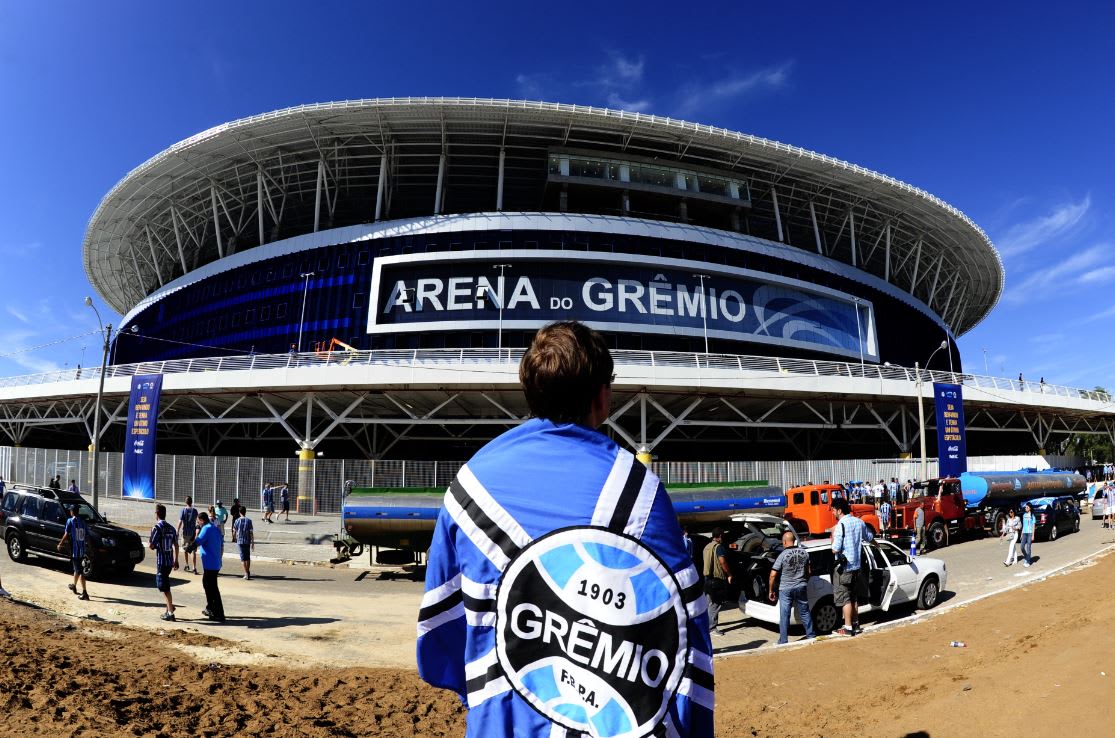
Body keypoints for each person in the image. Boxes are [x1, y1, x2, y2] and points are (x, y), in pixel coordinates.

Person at [416, 321, 714, 738]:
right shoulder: (641, 495)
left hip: (503, 725)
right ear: (602, 396)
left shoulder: (471, 486)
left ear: (531, 392)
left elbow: (439, 637)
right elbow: (685, 641)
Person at [831, 498, 873, 637]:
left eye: (833, 510)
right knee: (854, 597)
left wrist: (832, 536)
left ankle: (847, 628)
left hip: (844, 568)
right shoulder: (859, 522)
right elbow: (869, 537)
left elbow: (835, 549)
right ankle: (855, 624)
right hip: (857, 567)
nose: (832, 513)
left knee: (845, 598)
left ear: (839, 510)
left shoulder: (840, 525)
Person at [768, 530, 814, 644]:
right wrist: (804, 581)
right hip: (801, 586)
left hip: (785, 589)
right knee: (805, 612)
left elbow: (773, 575)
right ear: (793, 541)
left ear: (784, 542)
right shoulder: (804, 553)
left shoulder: (782, 555)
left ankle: (783, 640)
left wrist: (771, 590)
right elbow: (809, 571)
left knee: (785, 615)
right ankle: (811, 635)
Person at [149, 504, 179, 621]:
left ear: (157, 514)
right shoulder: (171, 528)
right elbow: (176, 545)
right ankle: (169, 607)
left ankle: (170, 611)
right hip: (169, 562)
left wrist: (153, 544)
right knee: (166, 584)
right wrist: (176, 560)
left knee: (163, 586)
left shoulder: (157, 528)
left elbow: (151, 545)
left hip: (161, 561)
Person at [193, 511, 225, 621]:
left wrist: (189, 547)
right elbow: (221, 544)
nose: (198, 524)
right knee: (209, 586)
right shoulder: (214, 528)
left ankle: (218, 613)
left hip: (211, 564)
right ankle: (211, 608)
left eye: (198, 522)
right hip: (215, 563)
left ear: (201, 520)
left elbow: (198, 541)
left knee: (211, 588)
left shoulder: (206, 528)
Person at [703, 526, 732, 636]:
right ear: (719, 536)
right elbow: (722, 562)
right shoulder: (718, 547)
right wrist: (729, 574)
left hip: (707, 578)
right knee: (716, 604)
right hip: (716, 579)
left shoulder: (707, 547)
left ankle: (705, 626)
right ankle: (712, 628)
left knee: (708, 603)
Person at [56, 504, 90, 600]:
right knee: (76, 569)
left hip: (76, 551)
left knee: (79, 571)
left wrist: (60, 544)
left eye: (70, 511)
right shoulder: (83, 522)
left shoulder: (70, 521)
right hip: (82, 550)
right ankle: (74, 586)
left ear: (72, 512)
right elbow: (87, 536)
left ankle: (85, 593)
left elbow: (66, 533)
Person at [178, 496, 200, 574]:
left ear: (185, 502)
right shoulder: (195, 511)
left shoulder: (183, 510)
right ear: (191, 502)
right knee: (193, 550)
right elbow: (198, 521)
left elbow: (180, 521)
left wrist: (177, 531)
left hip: (185, 533)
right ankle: (194, 567)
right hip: (193, 533)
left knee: (185, 549)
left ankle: (187, 564)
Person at [233, 506, 254, 580]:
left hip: (240, 541)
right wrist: (253, 542)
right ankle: (248, 571)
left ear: (239, 512)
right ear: (245, 512)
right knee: (247, 557)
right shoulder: (249, 521)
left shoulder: (237, 521)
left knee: (242, 558)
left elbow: (234, 531)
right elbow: (251, 533)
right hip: (247, 541)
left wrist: (234, 538)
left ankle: (246, 573)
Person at [1020, 502, 1035, 568]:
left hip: (1030, 533)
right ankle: (1027, 556)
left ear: (1030, 508)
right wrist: (1021, 534)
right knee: (1022, 547)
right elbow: (1023, 525)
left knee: (1028, 547)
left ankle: (1028, 561)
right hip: (1024, 533)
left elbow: (1033, 526)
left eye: (1027, 507)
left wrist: (1033, 535)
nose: (1026, 508)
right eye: (1025, 507)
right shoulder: (1024, 515)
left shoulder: (1032, 516)